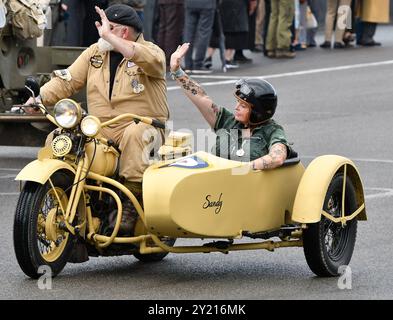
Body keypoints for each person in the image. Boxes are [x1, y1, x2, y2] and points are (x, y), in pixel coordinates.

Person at [25, 4, 169, 236]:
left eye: (108, 27)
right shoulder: (95, 52)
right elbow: (67, 80)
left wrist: (111, 38)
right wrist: (39, 98)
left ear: (123, 32)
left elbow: (141, 57)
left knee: (135, 134)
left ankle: (131, 206)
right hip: (100, 128)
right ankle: (63, 194)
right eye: (102, 26)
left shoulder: (152, 52)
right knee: (59, 137)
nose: (101, 31)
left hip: (144, 126)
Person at [170, 43, 289, 169]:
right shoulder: (228, 121)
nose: (236, 107)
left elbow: (277, 157)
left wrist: (243, 169)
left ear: (257, 111)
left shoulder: (273, 132)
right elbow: (200, 97)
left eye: (243, 105)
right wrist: (177, 71)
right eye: (238, 102)